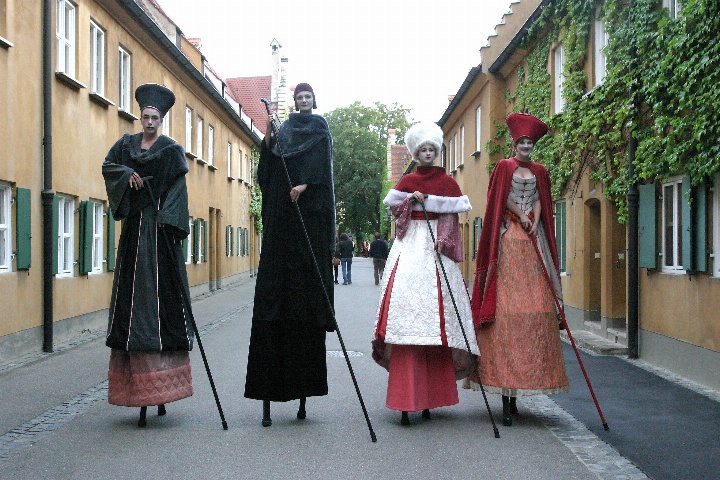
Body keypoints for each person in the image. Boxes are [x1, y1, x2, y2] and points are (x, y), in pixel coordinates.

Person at [372, 122, 479, 425]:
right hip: (410, 245)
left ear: (437, 151)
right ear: (417, 153)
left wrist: (433, 210)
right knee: (405, 307)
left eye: (432, 149)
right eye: (423, 150)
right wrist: (410, 199)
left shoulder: (447, 181)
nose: (428, 154)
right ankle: (409, 395)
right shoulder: (407, 180)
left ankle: (432, 395)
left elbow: (453, 210)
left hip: (436, 248)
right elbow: (395, 210)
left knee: (440, 314)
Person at [102, 83, 194, 427]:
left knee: (161, 301)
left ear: (162, 119)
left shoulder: (171, 150)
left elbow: (179, 190)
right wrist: (128, 175)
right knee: (132, 302)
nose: (150, 121)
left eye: (155, 117)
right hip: (133, 236)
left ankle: (163, 388)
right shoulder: (126, 146)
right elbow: (109, 166)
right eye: (145, 116)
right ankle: (136, 387)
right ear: (140, 117)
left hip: (159, 237)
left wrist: (168, 222)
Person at [244, 83, 336, 427]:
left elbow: (323, 171)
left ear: (315, 99)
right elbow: (266, 175)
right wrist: (268, 140)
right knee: (274, 306)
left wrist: (306, 183)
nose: (303, 100)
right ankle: (270, 393)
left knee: (304, 307)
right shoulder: (284, 130)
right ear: (295, 102)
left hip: (308, 222)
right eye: (299, 97)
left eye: (308, 96)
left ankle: (302, 394)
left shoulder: (320, 128)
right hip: (281, 228)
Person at [468, 112, 569, 426]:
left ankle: (520, 391)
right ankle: (504, 398)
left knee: (535, 306)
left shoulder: (539, 170)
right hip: (509, 237)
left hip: (531, 238)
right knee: (507, 309)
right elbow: (500, 199)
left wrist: (536, 217)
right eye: (522, 142)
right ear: (515, 144)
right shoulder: (503, 167)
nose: (526, 146)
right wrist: (520, 216)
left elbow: (541, 198)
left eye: (529, 142)